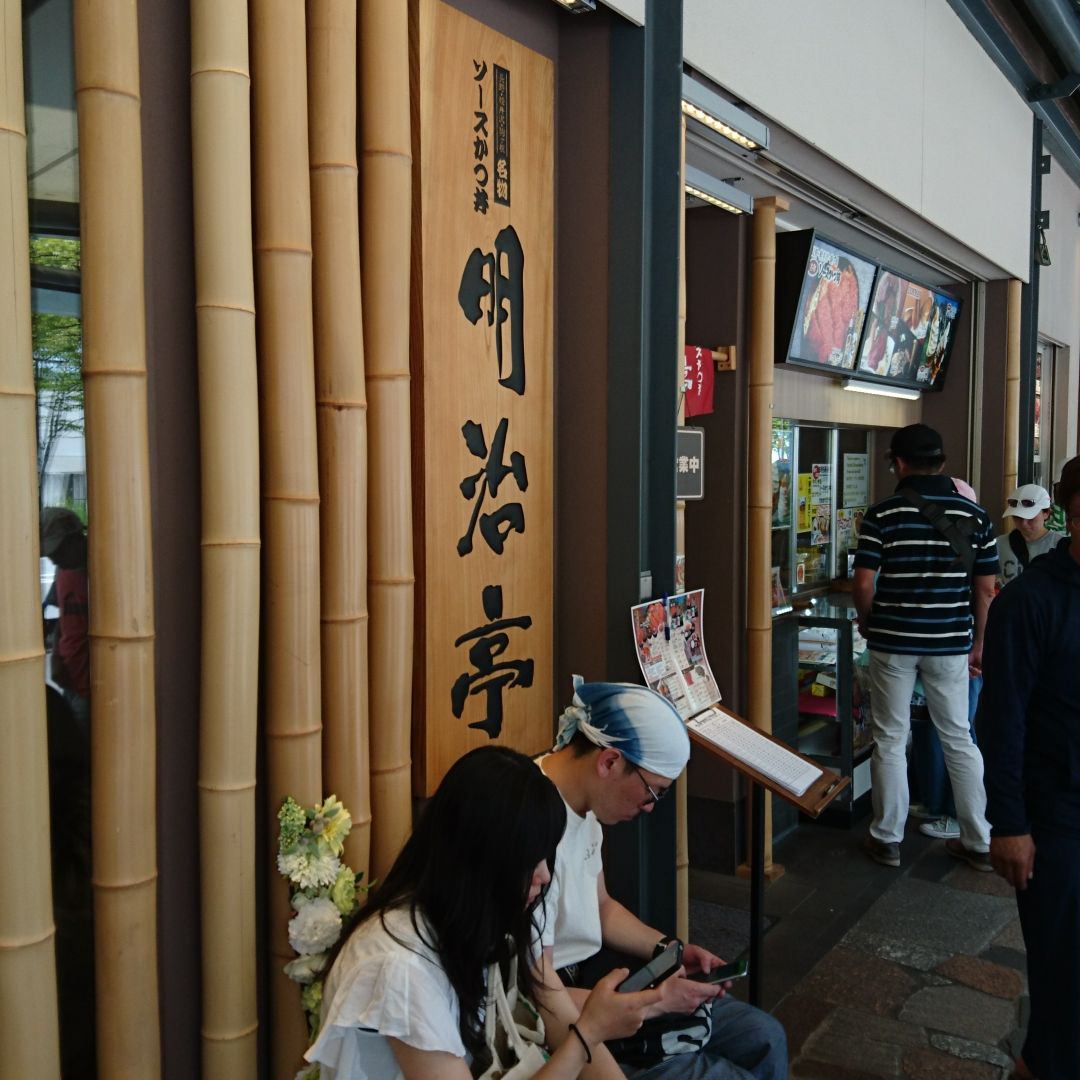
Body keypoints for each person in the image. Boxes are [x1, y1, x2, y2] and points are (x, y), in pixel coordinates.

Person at [305, 745, 662, 1079]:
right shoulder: (400, 970)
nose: (544, 875)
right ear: (481, 859)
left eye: (546, 856)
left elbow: (549, 996)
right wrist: (589, 1032)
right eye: (530, 859)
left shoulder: (470, 914)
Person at [533, 678, 787, 1079]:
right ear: (610, 761)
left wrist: (669, 949)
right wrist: (656, 1001)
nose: (651, 808)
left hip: (599, 984)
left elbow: (601, 907)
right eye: (653, 792)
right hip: (564, 1011)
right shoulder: (529, 822)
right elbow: (537, 995)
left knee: (765, 1035)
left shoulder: (585, 804)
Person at [852, 424, 996, 870]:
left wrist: (870, 620)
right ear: (943, 463)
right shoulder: (977, 517)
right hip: (950, 643)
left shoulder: (883, 514)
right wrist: (979, 643)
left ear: (898, 463)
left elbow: (863, 582)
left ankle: (887, 838)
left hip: (893, 642)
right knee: (958, 737)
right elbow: (987, 589)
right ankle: (978, 839)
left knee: (891, 738)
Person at [978, 457, 1080, 1080]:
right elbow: (1001, 720)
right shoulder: (1030, 601)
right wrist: (1008, 824)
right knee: (1063, 979)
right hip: (1058, 822)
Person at [40, 507, 90, 726]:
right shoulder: (63, 569)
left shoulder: (102, 567)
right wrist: (56, 657)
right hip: (69, 677)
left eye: (58, 550)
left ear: (76, 538)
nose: (54, 559)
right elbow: (62, 614)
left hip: (92, 687)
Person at [996, 483, 1057, 588]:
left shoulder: (1062, 545)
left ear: (1047, 513)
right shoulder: (998, 544)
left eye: (1031, 517)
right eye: (1017, 517)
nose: (1024, 523)